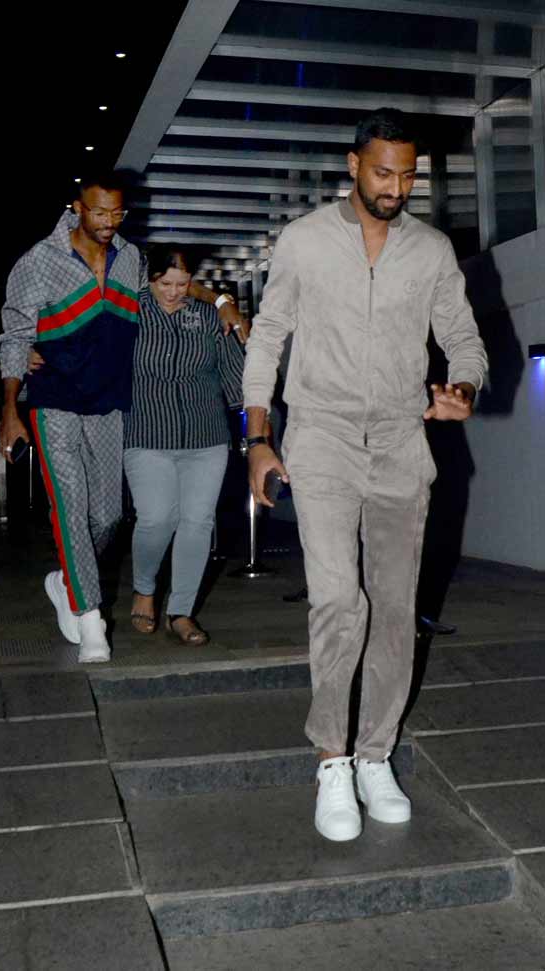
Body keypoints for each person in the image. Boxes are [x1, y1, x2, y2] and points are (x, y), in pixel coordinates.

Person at [243, 108, 487, 842]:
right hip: (318, 436)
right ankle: (331, 759)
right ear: (352, 164)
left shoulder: (432, 250)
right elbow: (268, 335)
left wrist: (463, 389)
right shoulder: (305, 241)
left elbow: (463, 338)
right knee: (338, 599)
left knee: (393, 606)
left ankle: (376, 752)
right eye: (384, 171)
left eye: (409, 174)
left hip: (400, 443)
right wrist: (258, 437)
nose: (397, 186)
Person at [0, 171, 248, 663]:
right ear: (76, 207)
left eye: (116, 213)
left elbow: (174, 286)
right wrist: (10, 408)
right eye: (98, 212)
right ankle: (91, 620)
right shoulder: (38, 262)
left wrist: (220, 302)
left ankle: (67, 579)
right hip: (54, 399)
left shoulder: (131, 259)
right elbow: (14, 335)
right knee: (70, 507)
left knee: (109, 517)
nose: (108, 222)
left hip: (109, 403)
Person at [125, 246, 244, 645]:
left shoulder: (209, 316)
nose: (174, 292)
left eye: (182, 283)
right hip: (146, 434)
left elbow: (233, 376)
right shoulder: (130, 312)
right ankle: (145, 589)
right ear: (150, 279)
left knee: (197, 523)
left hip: (206, 436)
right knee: (157, 517)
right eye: (165, 284)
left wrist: (257, 422)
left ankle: (182, 611)